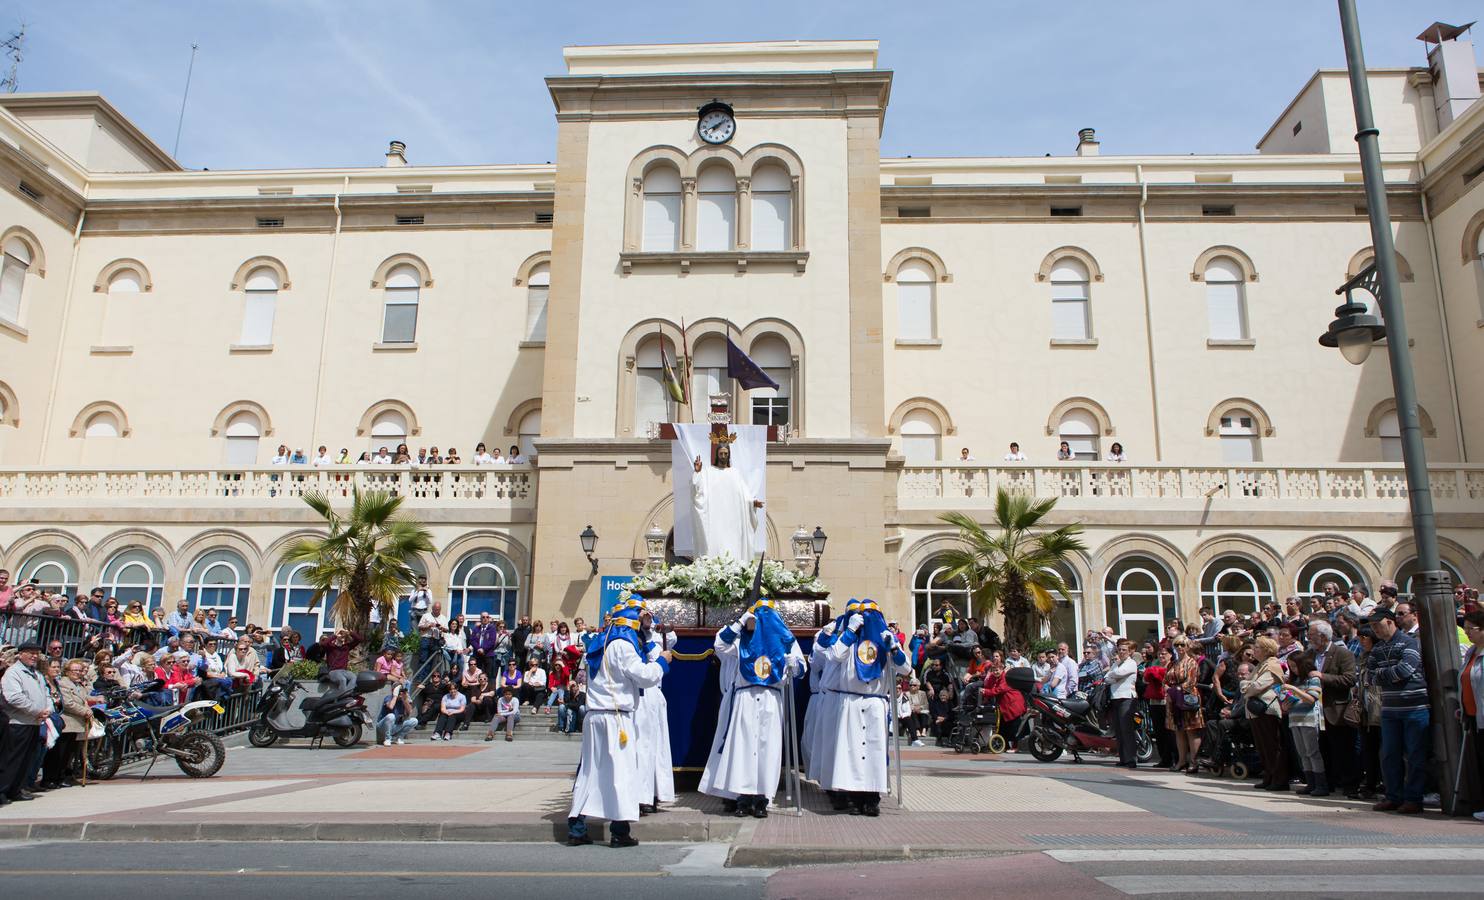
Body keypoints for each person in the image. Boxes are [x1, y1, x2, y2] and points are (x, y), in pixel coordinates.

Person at [566, 602, 671, 848]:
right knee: (622, 772)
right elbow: (644, 676)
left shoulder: (600, 643)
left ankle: (577, 827)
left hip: (595, 714)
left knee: (590, 771)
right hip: (615, 717)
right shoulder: (623, 645)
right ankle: (619, 831)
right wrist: (663, 663)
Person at [701, 597, 807, 818]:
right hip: (746, 697)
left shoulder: (785, 638)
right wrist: (740, 623)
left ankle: (761, 798)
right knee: (743, 747)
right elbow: (719, 645)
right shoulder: (741, 638)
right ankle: (742, 797)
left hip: (771, 696)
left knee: (767, 748)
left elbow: (801, 667)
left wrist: (793, 665)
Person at [819, 599, 909, 816]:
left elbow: (906, 669)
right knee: (851, 751)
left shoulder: (885, 642)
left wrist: (894, 647)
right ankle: (853, 796)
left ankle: (871, 798)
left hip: (875, 701)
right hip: (850, 702)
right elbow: (833, 655)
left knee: (873, 751)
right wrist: (850, 631)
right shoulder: (850, 640)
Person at [1368, 608, 1428, 814]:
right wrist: (1389, 674)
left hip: (1415, 707)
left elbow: (1406, 670)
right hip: (1390, 709)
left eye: (1378, 624)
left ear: (1390, 621)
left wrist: (1384, 674)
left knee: (1415, 755)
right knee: (1389, 754)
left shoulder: (1410, 642)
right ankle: (1393, 795)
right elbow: (1370, 677)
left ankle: (1413, 798)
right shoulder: (1377, 649)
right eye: (1372, 626)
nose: (1374, 629)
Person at [1308, 619, 1358, 798]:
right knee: (1322, 749)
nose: (1308, 638)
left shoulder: (1342, 654)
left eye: (1311, 635)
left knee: (1343, 750)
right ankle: (1325, 783)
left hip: (1336, 710)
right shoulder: (1310, 654)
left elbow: (1349, 679)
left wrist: (1323, 676)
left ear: (1322, 636)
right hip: (1315, 710)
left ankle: (1350, 785)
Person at [690, 444, 764, 561]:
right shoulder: (708, 472)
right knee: (715, 548)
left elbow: (745, 496)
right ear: (717, 455)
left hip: (733, 522)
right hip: (715, 521)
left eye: (725, 453)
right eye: (721, 453)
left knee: (733, 550)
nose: (723, 456)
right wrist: (697, 472)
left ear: (729, 455)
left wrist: (752, 503)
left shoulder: (735, 473)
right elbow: (697, 492)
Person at [634, 607, 676, 814]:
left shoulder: (656, 635)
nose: (647, 619)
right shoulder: (632, 639)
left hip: (655, 695)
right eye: (643, 616)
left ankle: (654, 792)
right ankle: (641, 796)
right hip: (642, 695)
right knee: (643, 747)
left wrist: (655, 620)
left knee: (656, 747)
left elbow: (672, 636)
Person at [0, 643, 51, 804]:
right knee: (12, 759)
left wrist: (47, 709)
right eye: (30, 653)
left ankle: (16, 789)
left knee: (26, 759)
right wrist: (37, 710)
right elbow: (14, 697)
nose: (34, 656)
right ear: (20, 654)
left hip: (34, 722)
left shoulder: (37, 674)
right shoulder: (13, 673)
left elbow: (46, 694)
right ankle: (3, 790)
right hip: (18, 722)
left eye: (36, 653)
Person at [1243, 636, 1288, 790]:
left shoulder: (1272, 665)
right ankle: (1269, 775)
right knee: (1262, 746)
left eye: (1257, 647)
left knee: (1272, 746)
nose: (1254, 650)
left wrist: (1246, 685)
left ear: (1266, 650)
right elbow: (1248, 683)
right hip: (1256, 711)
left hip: (1267, 710)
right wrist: (1247, 685)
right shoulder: (1260, 665)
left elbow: (1256, 686)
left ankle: (1279, 778)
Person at [1282, 650, 1328, 796]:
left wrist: (1294, 690)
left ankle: (1321, 785)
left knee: (1313, 752)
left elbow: (1311, 698)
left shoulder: (1312, 678)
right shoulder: (1294, 680)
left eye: (1295, 666)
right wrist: (1285, 705)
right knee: (1303, 754)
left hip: (1309, 720)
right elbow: (1289, 702)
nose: (1294, 669)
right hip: (1295, 719)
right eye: (1291, 667)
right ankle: (1310, 783)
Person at [1458, 608, 1484, 822]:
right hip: (1473, 716)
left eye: (1471, 629)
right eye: (1465, 628)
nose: (1467, 632)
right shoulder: (1471, 652)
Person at [1164, 637, 1204, 774]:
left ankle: (1194, 761)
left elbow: (1191, 681)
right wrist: (1167, 690)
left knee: (1191, 730)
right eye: (1177, 645)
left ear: (1187, 646)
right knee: (1178, 730)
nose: (1180, 647)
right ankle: (1182, 761)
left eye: (1182, 645)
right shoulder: (1173, 663)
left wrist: (1173, 691)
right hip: (1173, 699)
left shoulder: (1191, 662)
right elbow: (1166, 680)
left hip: (1187, 698)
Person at [1107, 639, 1139, 769]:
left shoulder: (1131, 663)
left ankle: (1131, 758)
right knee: (1119, 730)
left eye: (1124, 650)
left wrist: (1114, 676)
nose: (1121, 652)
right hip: (1115, 697)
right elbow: (1107, 677)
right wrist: (1114, 676)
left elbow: (1118, 673)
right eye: (1119, 650)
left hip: (1127, 697)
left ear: (1130, 651)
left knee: (1127, 729)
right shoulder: (1117, 663)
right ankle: (1123, 758)